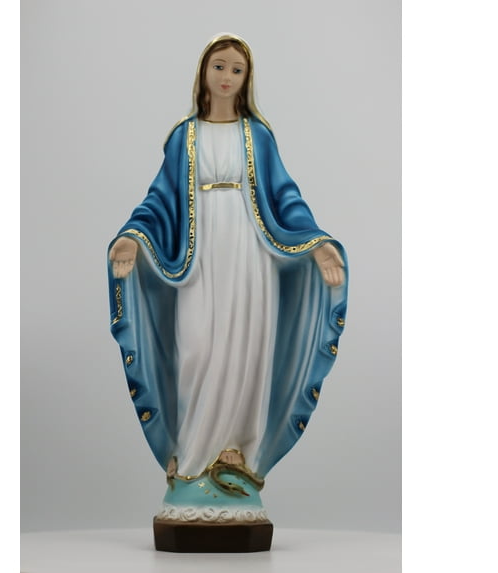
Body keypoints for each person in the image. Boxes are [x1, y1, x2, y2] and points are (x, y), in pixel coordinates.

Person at [108, 33, 348, 515]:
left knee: (245, 348)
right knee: (197, 347)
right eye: (219, 66)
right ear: (203, 71)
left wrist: (317, 242)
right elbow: (161, 198)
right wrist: (132, 235)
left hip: (250, 253)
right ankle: (191, 457)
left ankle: (235, 450)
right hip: (200, 254)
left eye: (236, 69)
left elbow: (285, 195)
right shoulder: (184, 136)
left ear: (246, 79)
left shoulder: (257, 135)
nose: (226, 76)